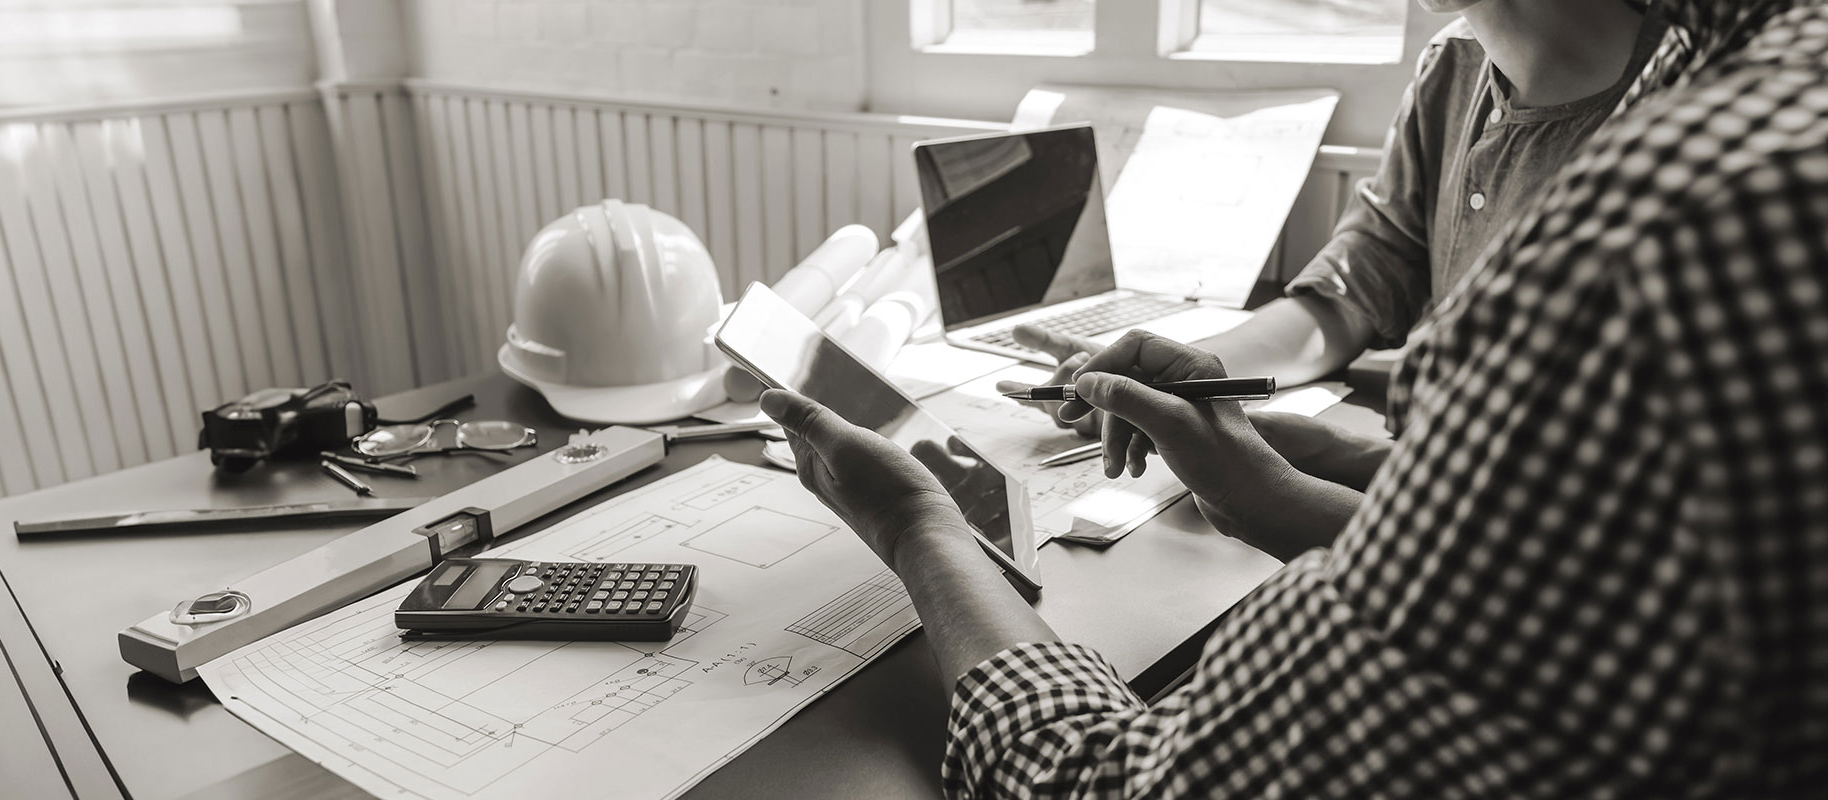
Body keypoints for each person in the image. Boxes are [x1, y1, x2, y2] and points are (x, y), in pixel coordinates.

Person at [759, 0, 1828, 795]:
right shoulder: (1738, 87)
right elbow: (1559, 557)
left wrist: (919, 528)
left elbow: (1121, 782)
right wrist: (1267, 470)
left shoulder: (1665, 219)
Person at [1003, 0, 1679, 555]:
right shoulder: (1456, 63)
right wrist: (1180, 386)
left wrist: (1273, 498)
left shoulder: (1702, 126)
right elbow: (1355, 287)